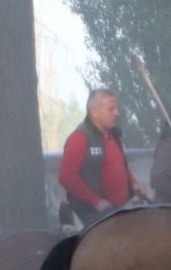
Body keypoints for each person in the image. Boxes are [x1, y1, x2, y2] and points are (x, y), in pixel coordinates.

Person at [57, 89, 146, 226]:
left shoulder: (113, 136)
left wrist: (134, 183)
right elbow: (66, 176)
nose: (117, 113)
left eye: (117, 108)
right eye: (111, 109)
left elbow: (121, 166)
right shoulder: (80, 138)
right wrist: (95, 201)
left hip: (119, 209)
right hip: (92, 212)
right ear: (94, 112)